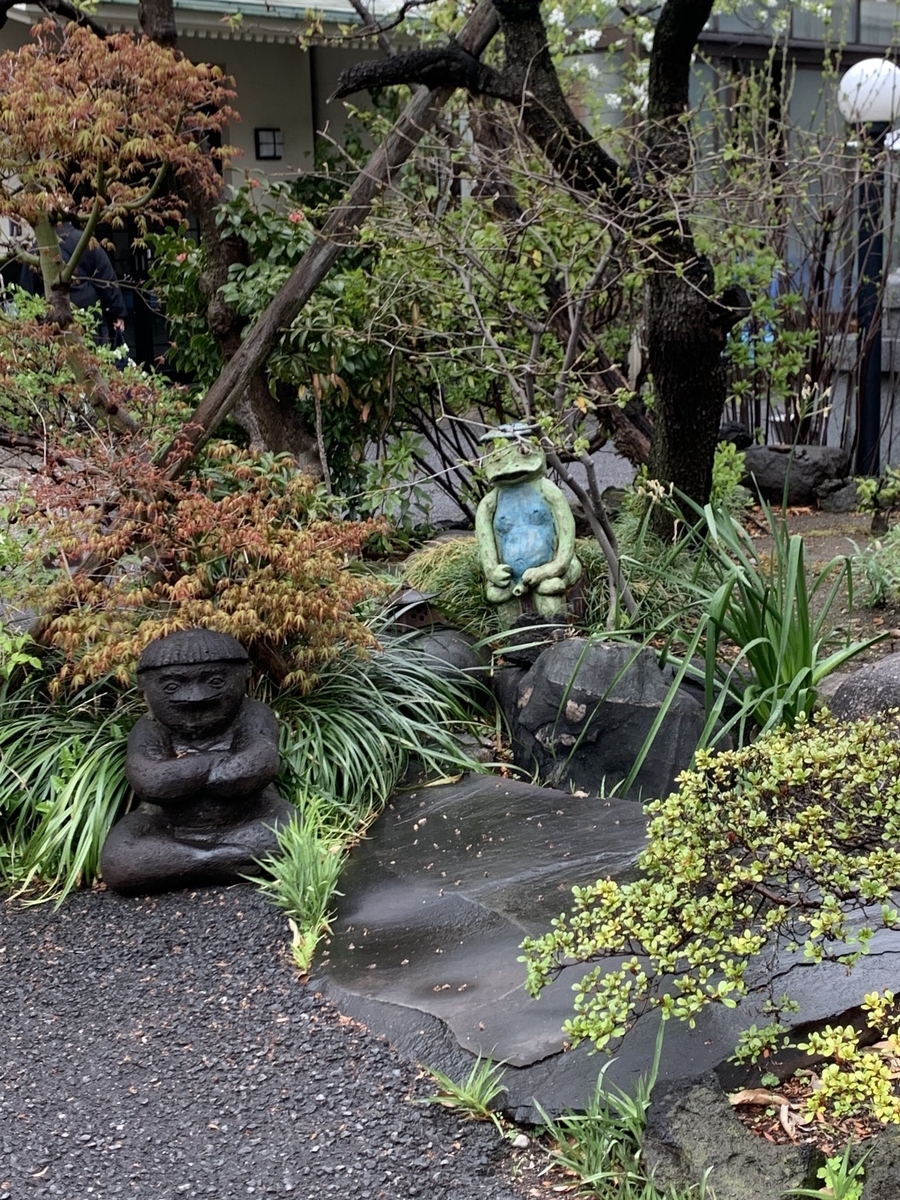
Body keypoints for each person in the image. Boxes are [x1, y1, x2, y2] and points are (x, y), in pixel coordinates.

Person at [101, 628, 295, 895]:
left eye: (214, 681)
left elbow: (255, 767)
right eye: (172, 686)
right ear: (145, 686)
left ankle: (189, 863)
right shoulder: (150, 728)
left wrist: (184, 772)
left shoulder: (253, 715)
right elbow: (151, 781)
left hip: (249, 820)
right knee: (119, 860)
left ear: (245, 674)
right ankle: (210, 860)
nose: (195, 696)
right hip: (168, 830)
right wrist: (215, 765)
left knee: (288, 833)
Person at [18, 220, 127, 346]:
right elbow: (106, 278)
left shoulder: (39, 247)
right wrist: (118, 312)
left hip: (53, 318)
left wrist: (28, 320)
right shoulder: (86, 241)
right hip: (89, 314)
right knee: (94, 359)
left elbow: (26, 289)